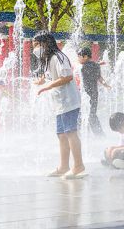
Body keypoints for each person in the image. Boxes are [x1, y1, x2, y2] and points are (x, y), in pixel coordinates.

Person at [33, 31, 86, 179]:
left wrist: (47, 87)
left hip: (68, 101)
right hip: (59, 103)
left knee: (70, 132)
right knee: (61, 135)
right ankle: (63, 166)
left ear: (46, 43)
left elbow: (67, 77)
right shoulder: (48, 59)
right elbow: (49, 75)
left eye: (37, 45)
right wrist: (41, 82)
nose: (35, 48)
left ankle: (78, 165)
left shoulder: (59, 57)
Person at [78, 46, 110, 135]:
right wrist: (106, 85)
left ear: (85, 57)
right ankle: (98, 134)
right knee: (90, 114)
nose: (78, 59)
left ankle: (96, 135)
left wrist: (106, 85)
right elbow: (100, 78)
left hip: (88, 93)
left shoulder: (86, 66)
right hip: (93, 93)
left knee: (88, 115)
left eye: (79, 56)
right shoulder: (94, 65)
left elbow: (99, 77)